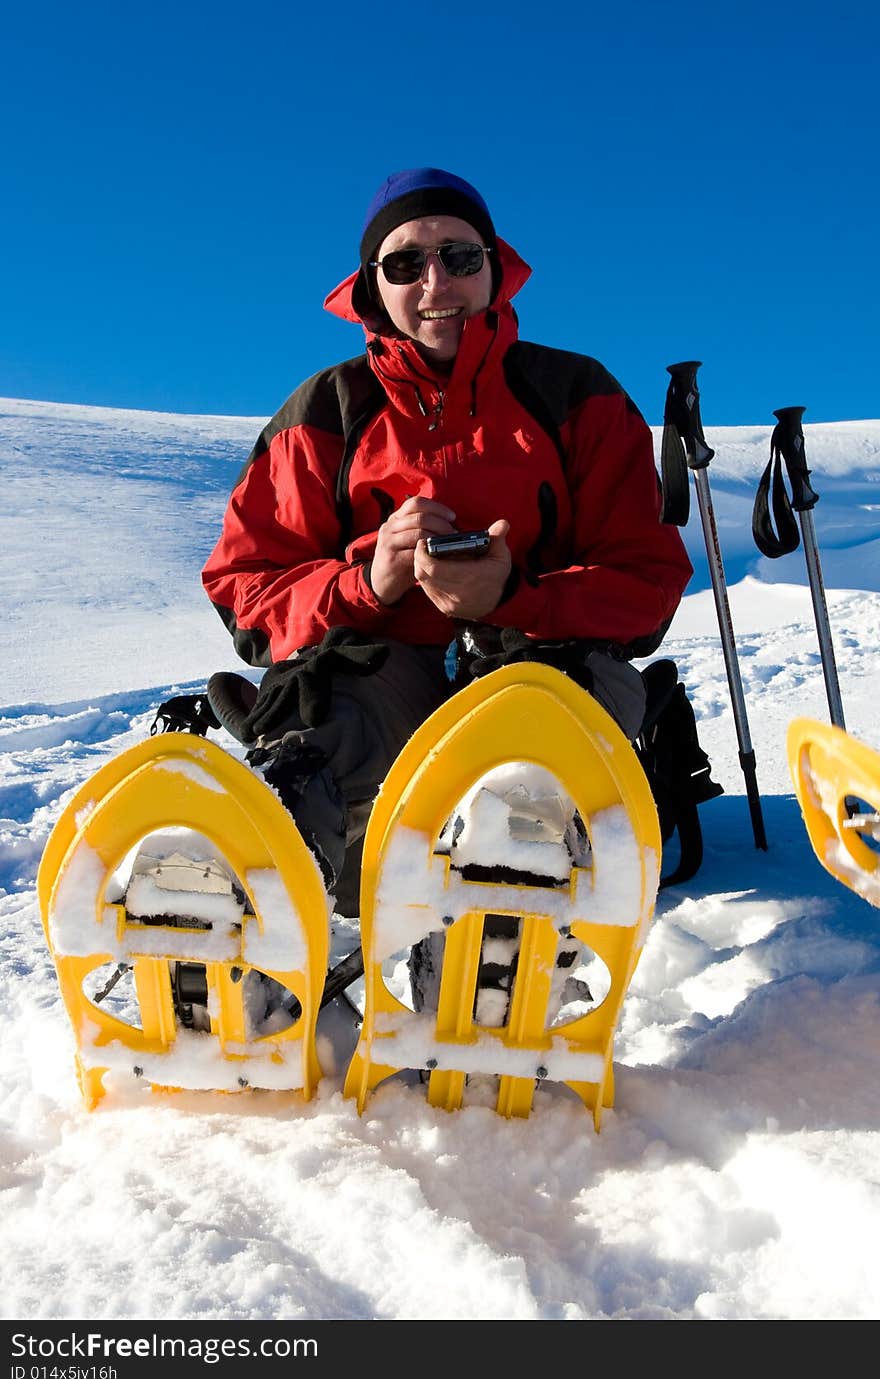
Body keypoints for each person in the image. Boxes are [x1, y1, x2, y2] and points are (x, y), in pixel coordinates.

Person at [201, 168, 693, 917]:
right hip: (379, 671)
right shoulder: (322, 412)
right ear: (372, 286)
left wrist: (515, 597)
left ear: (495, 270)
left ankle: (513, 915)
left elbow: (646, 582)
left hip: (539, 661)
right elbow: (247, 593)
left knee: (536, 716)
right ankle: (281, 897)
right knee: (327, 711)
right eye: (405, 263)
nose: (437, 281)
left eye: (461, 257)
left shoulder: (576, 394)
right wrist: (367, 583)